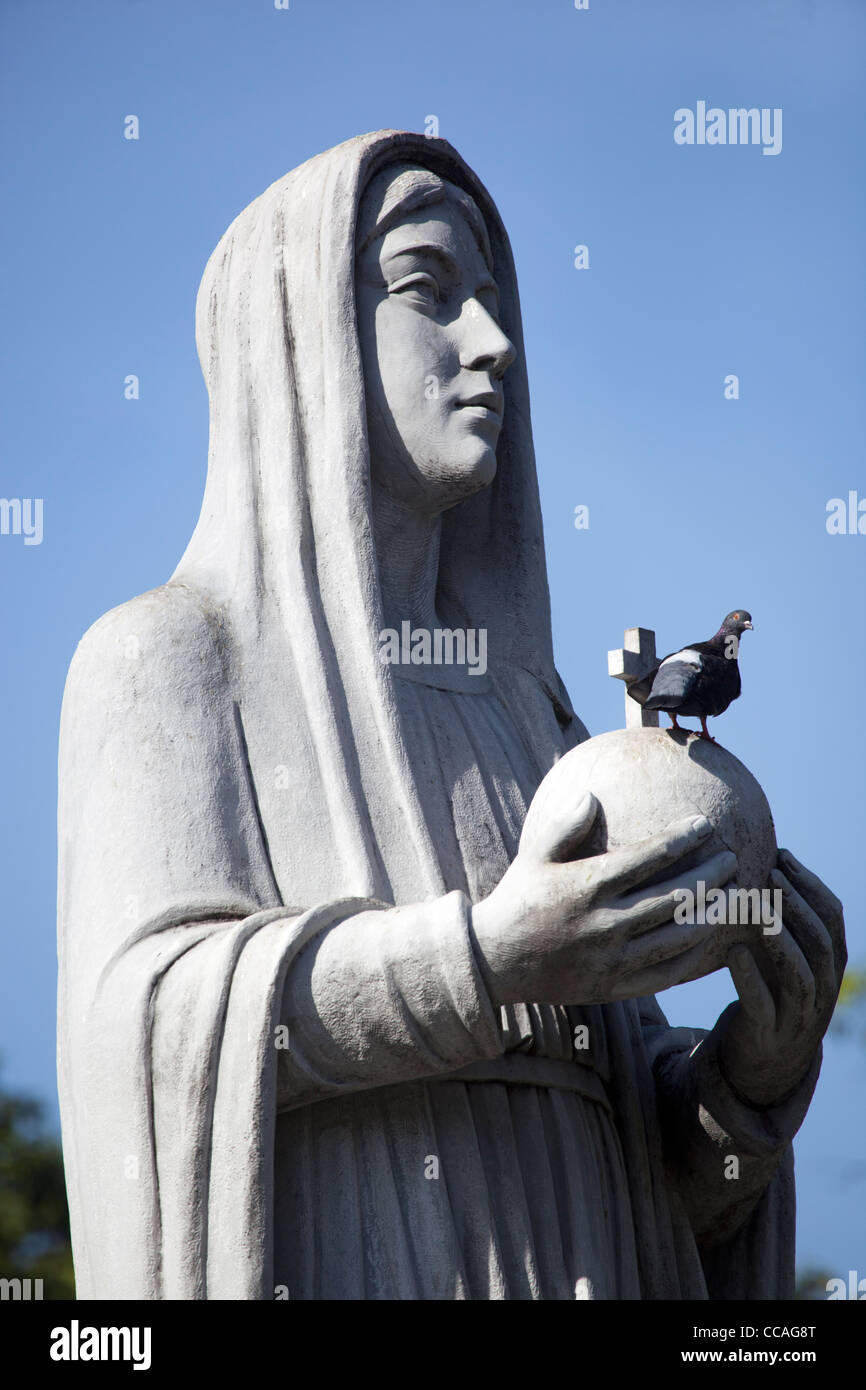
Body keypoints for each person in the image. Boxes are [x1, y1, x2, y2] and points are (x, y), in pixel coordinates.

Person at [57, 130, 845, 1300]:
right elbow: (145, 1028)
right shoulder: (167, 658)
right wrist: (479, 961)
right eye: (430, 290)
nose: (493, 344)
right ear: (298, 335)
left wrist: (747, 1080)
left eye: (493, 300)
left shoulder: (540, 718)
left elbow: (655, 1181)